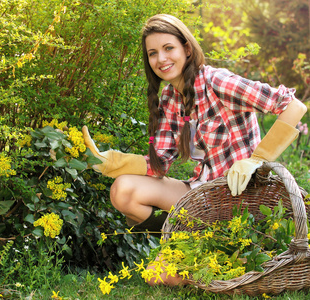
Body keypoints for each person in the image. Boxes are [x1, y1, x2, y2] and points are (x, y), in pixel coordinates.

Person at [81, 14, 307, 285]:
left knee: (160, 277)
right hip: (202, 197)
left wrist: (256, 160)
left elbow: (293, 106)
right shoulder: (169, 97)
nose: (161, 59)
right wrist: (111, 162)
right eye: (153, 53)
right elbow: (160, 162)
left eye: (168, 48)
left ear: (186, 49)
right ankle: (188, 238)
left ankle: (228, 256)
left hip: (241, 200)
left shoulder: (217, 82)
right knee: (123, 190)